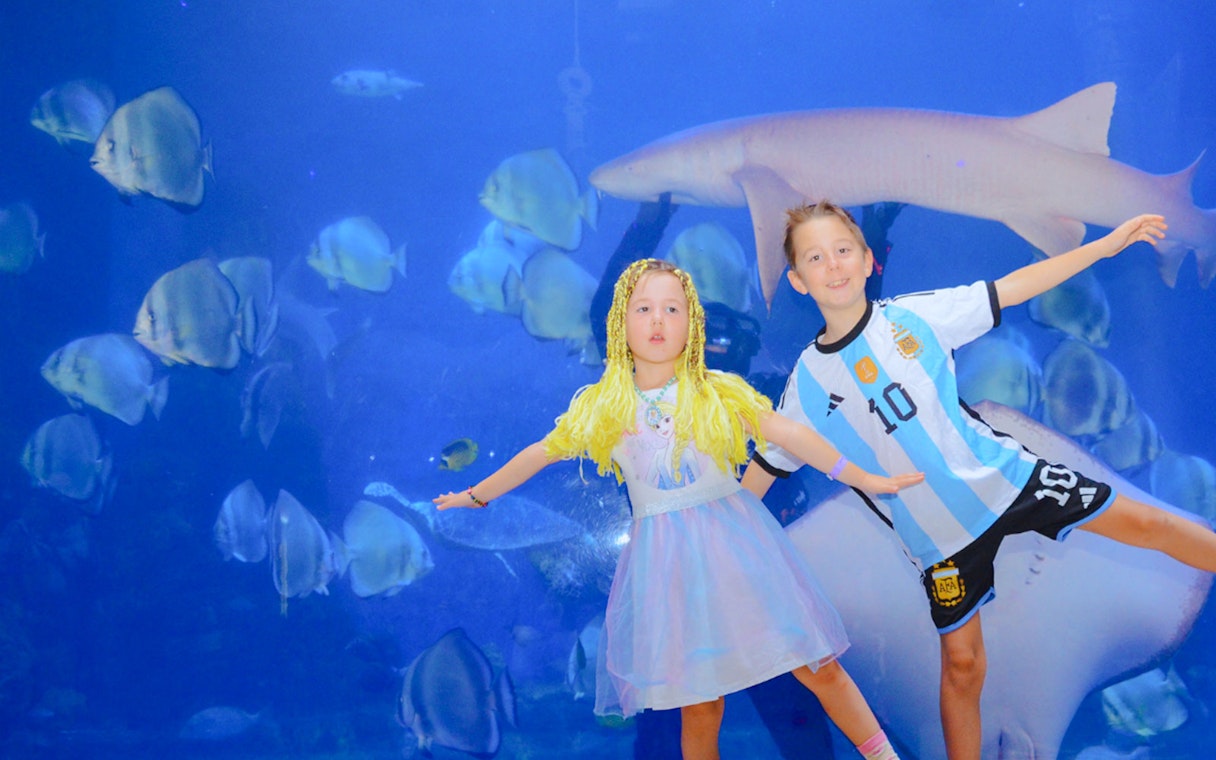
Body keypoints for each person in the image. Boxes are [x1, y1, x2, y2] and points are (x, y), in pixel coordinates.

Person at [742, 200, 1216, 760]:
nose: (834, 265)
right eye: (816, 257)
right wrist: (710, 537)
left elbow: (1014, 287)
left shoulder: (915, 317)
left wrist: (1105, 245)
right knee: (961, 667)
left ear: (869, 260)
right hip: (938, 542)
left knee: (1148, 524)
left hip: (1010, 483)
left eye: (843, 250)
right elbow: (766, 469)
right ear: (797, 279)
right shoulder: (806, 388)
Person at [436, 258, 921, 760]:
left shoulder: (716, 391)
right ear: (620, 323)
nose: (658, 321)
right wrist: (475, 495)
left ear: (692, 323)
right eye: (644, 308)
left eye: (672, 308)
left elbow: (788, 433)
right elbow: (541, 451)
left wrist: (860, 475)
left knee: (816, 664)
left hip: (738, 546)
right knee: (699, 704)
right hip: (667, 566)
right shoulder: (605, 405)